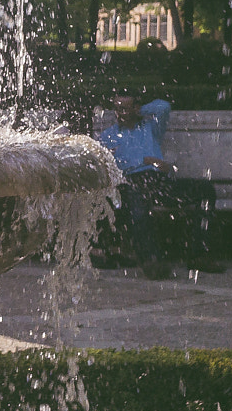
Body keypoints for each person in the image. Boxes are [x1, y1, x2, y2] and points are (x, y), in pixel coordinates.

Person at [94, 93, 221, 278]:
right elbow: (114, 165)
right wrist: (146, 160)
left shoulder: (150, 128)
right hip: (131, 182)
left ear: (136, 108)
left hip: (159, 182)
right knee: (138, 207)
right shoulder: (108, 136)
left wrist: (139, 110)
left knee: (205, 190)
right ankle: (150, 260)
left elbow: (164, 107)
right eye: (118, 108)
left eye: (125, 108)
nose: (121, 113)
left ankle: (199, 254)